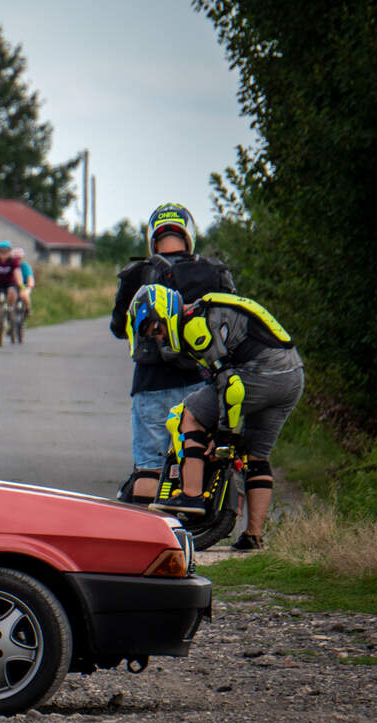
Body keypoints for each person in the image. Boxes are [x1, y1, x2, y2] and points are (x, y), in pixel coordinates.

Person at [127, 284, 304, 550]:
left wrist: (225, 434)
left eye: (157, 329)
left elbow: (232, 386)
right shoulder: (205, 310)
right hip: (292, 378)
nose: (160, 338)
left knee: (190, 415)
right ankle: (253, 536)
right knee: (257, 456)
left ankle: (191, 495)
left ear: (164, 313)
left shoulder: (194, 324)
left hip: (261, 373)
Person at [110, 203, 236, 506]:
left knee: (150, 467)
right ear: (188, 233)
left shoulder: (136, 273)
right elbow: (233, 322)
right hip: (202, 381)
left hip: (151, 383)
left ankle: (150, 537)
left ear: (152, 237)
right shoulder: (215, 272)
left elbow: (118, 327)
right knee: (199, 454)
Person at [13, 247, 34, 313]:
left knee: (23, 295)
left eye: (19, 258)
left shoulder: (26, 266)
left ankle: (28, 308)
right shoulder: (11, 266)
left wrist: (29, 284)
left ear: (22, 258)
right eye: (16, 258)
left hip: (25, 285)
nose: (17, 260)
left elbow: (30, 278)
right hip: (14, 285)